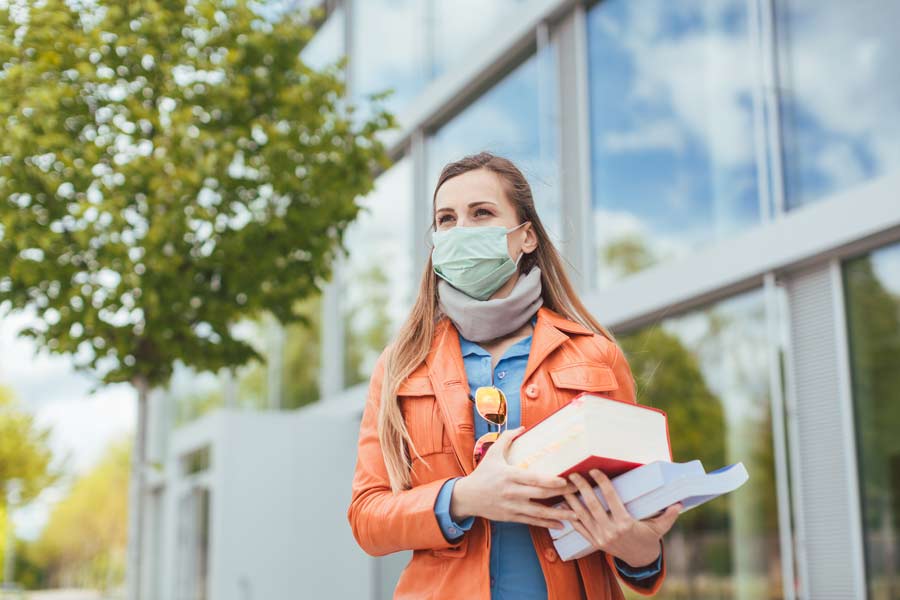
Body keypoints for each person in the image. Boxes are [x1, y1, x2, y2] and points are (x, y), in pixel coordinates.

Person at [347, 151, 681, 599]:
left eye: (481, 213)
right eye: (446, 220)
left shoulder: (596, 355)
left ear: (525, 237)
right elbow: (368, 518)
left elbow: (638, 514)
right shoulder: (401, 365)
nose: (460, 230)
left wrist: (640, 551)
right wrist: (462, 497)